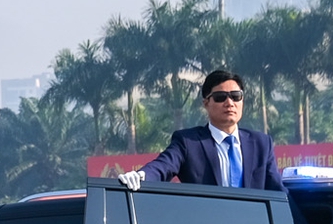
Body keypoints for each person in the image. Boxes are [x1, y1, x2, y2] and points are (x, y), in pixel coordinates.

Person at [118, 69, 285, 192]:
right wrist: (141, 176)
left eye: (235, 96)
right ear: (206, 103)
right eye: (220, 97)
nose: (229, 103)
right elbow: (163, 166)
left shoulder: (261, 144)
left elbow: (279, 193)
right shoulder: (188, 142)